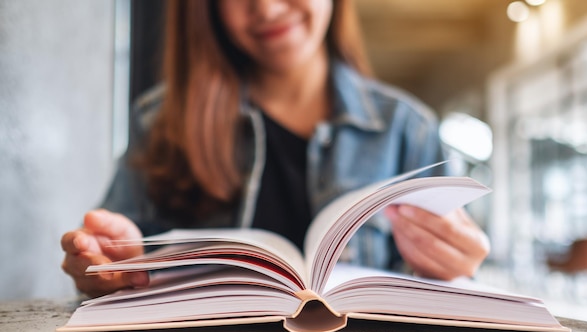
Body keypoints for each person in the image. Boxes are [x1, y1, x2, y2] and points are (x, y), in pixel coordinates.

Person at [61, 0, 490, 298]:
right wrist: (112, 261)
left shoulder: (407, 129)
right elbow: (111, 255)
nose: (265, 9)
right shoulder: (159, 121)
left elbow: (439, 284)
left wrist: (456, 267)